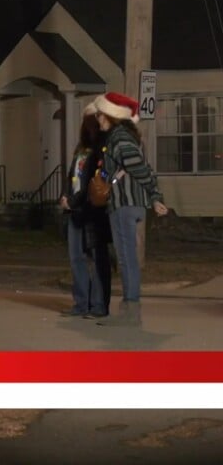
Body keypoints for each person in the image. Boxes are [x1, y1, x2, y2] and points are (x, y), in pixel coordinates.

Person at [92, 92, 168, 327]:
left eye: (100, 114)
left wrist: (156, 195)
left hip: (125, 204)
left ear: (111, 115)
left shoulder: (120, 136)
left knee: (126, 259)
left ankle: (130, 308)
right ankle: (130, 306)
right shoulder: (124, 136)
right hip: (129, 204)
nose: (97, 118)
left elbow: (137, 166)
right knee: (127, 257)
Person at [58, 104, 112, 318]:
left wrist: (74, 201)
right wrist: (65, 197)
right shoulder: (80, 150)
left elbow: (94, 181)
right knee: (76, 258)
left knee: (98, 259)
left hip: (93, 210)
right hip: (74, 210)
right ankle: (81, 303)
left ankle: (99, 305)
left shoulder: (101, 149)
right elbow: (72, 175)